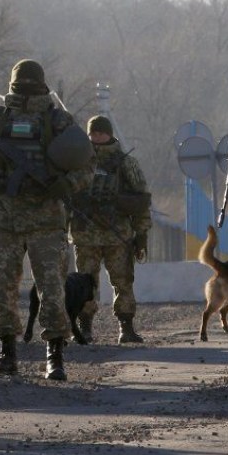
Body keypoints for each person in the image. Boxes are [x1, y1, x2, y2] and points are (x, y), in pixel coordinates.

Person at [0, 59, 93, 381]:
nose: (25, 91)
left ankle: (54, 353)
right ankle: (8, 351)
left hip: (45, 221)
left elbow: (86, 167)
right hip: (4, 218)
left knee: (52, 290)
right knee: (2, 288)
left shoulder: (59, 121)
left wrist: (66, 184)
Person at [68, 116, 152, 344]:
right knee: (85, 283)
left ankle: (126, 327)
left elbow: (142, 200)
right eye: (93, 134)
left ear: (109, 134)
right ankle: (85, 327)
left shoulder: (126, 163)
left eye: (100, 133)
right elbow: (65, 195)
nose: (96, 138)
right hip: (86, 235)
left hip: (118, 235)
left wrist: (141, 233)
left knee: (123, 281)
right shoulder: (79, 161)